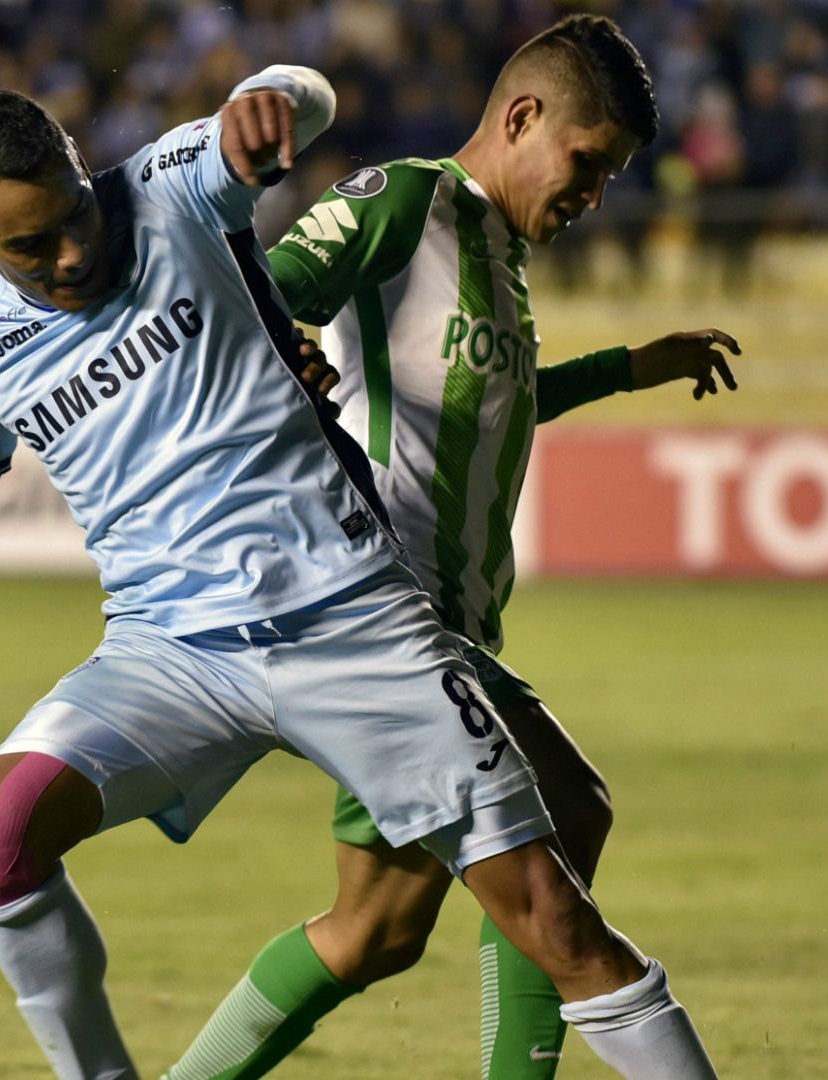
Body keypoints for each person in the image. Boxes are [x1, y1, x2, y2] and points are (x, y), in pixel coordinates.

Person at [0, 64, 718, 1079]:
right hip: (165, 652)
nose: (76, 253)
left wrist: (273, 97)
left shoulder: (169, 185)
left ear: (88, 174)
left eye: (77, 216)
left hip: (353, 620)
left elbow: (301, 97)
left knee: (555, 919)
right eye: (33, 246)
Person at [167, 17, 739, 1080]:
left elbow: (492, 406)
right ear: (522, 117)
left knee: (372, 931)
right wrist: (285, 346)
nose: (593, 195)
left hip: (451, 627)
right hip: (390, 621)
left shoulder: (500, 259)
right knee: (564, 829)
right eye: (588, 163)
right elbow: (263, 297)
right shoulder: (405, 203)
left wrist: (627, 367)